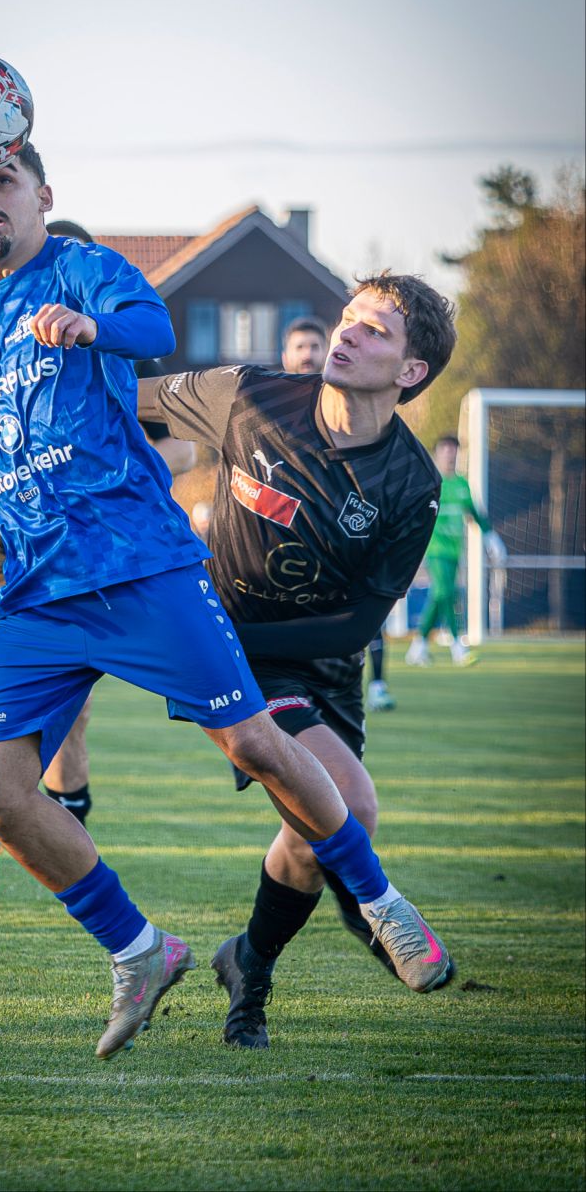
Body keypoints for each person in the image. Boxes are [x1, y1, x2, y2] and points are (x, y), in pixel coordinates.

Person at [0, 146, 449, 1059]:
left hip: (143, 566)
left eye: (4, 181)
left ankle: (381, 902)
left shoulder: (85, 269)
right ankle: (140, 951)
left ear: (42, 195)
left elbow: (150, 326)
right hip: (37, 590)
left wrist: (90, 329)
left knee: (256, 744)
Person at [138, 271, 458, 1049]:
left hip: (321, 664)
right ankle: (366, 909)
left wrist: (233, 643)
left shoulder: (413, 484)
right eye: (350, 318)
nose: (348, 333)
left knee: (311, 842)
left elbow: (356, 626)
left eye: (375, 330)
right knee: (352, 807)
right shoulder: (249, 395)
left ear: (411, 370)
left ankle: (248, 963)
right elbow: (124, 397)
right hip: (234, 661)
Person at [0, 222, 194, 913]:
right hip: (17, 550)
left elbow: (186, 451)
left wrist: (114, 467)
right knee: (66, 711)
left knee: (69, 719)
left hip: (114, 549)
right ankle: (30, 832)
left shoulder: (107, 346)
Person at [282, 317, 398, 715]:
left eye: (315, 346)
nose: (308, 354)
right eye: (300, 347)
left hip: (345, 541)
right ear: (285, 355)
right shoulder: (270, 409)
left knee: (364, 616)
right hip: (286, 551)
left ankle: (375, 684)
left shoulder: (351, 409)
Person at [405, 434, 506, 667]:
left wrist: (491, 538)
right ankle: (458, 647)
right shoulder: (429, 482)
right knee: (447, 593)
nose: (450, 455)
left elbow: (474, 513)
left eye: (453, 451)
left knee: (440, 595)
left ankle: (418, 646)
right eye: (445, 450)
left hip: (454, 551)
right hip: (435, 549)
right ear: (437, 453)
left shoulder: (462, 484)